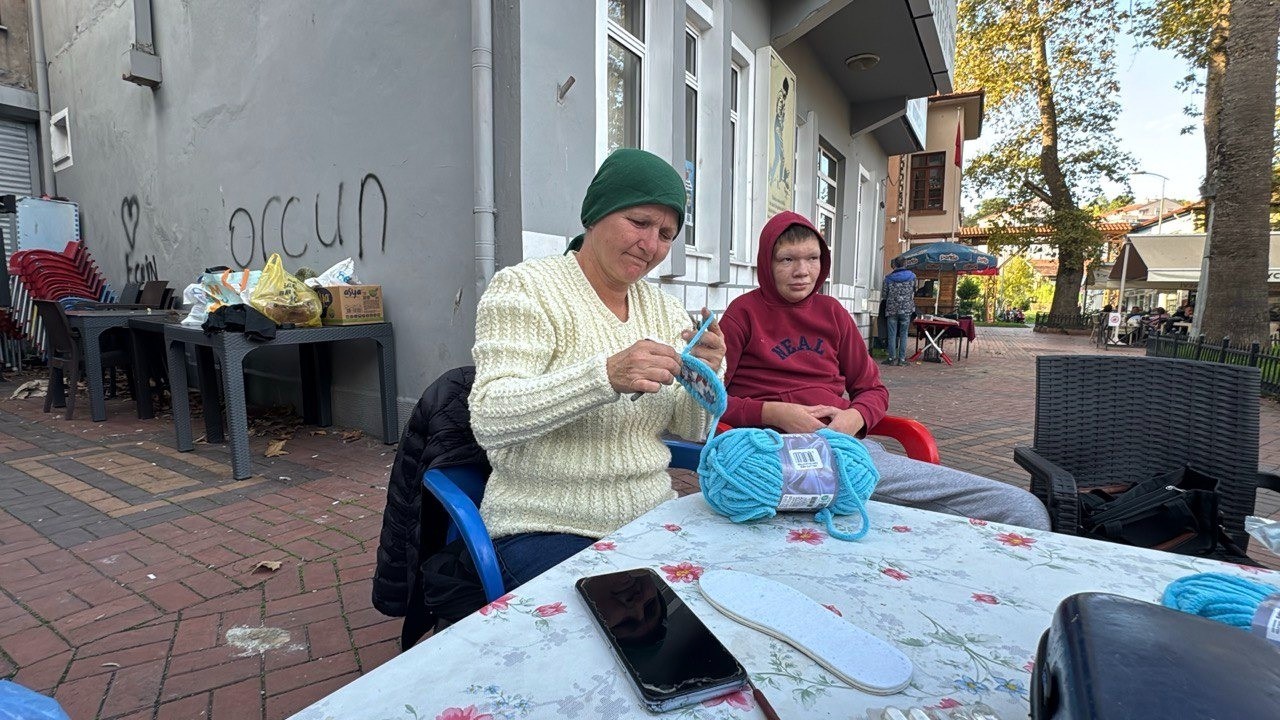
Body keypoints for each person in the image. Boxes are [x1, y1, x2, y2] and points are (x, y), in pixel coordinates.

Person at [469, 149, 725, 588]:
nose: (651, 245)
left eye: (666, 233)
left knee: (723, 600)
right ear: (596, 214)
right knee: (632, 630)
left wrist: (708, 375)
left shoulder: (665, 311)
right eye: (640, 222)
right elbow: (489, 417)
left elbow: (692, 428)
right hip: (545, 523)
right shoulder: (526, 288)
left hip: (648, 517)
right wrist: (603, 376)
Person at [720, 211, 1050, 529]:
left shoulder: (832, 313)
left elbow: (873, 390)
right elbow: (711, 400)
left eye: (812, 258)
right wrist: (773, 413)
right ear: (767, 262)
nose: (802, 271)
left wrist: (853, 419)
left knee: (1022, 509)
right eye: (787, 259)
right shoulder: (742, 314)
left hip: (845, 453)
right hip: (767, 457)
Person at [882, 261, 916, 366]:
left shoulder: (888, 278)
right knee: (904, 334)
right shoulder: (912, 276)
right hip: (906, 309)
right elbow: (914, 290)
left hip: (892, 309)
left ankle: (891, 358)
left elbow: (884, 294)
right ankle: (901, 359)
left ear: (894, 265)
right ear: (905, 264)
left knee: (891, 334)